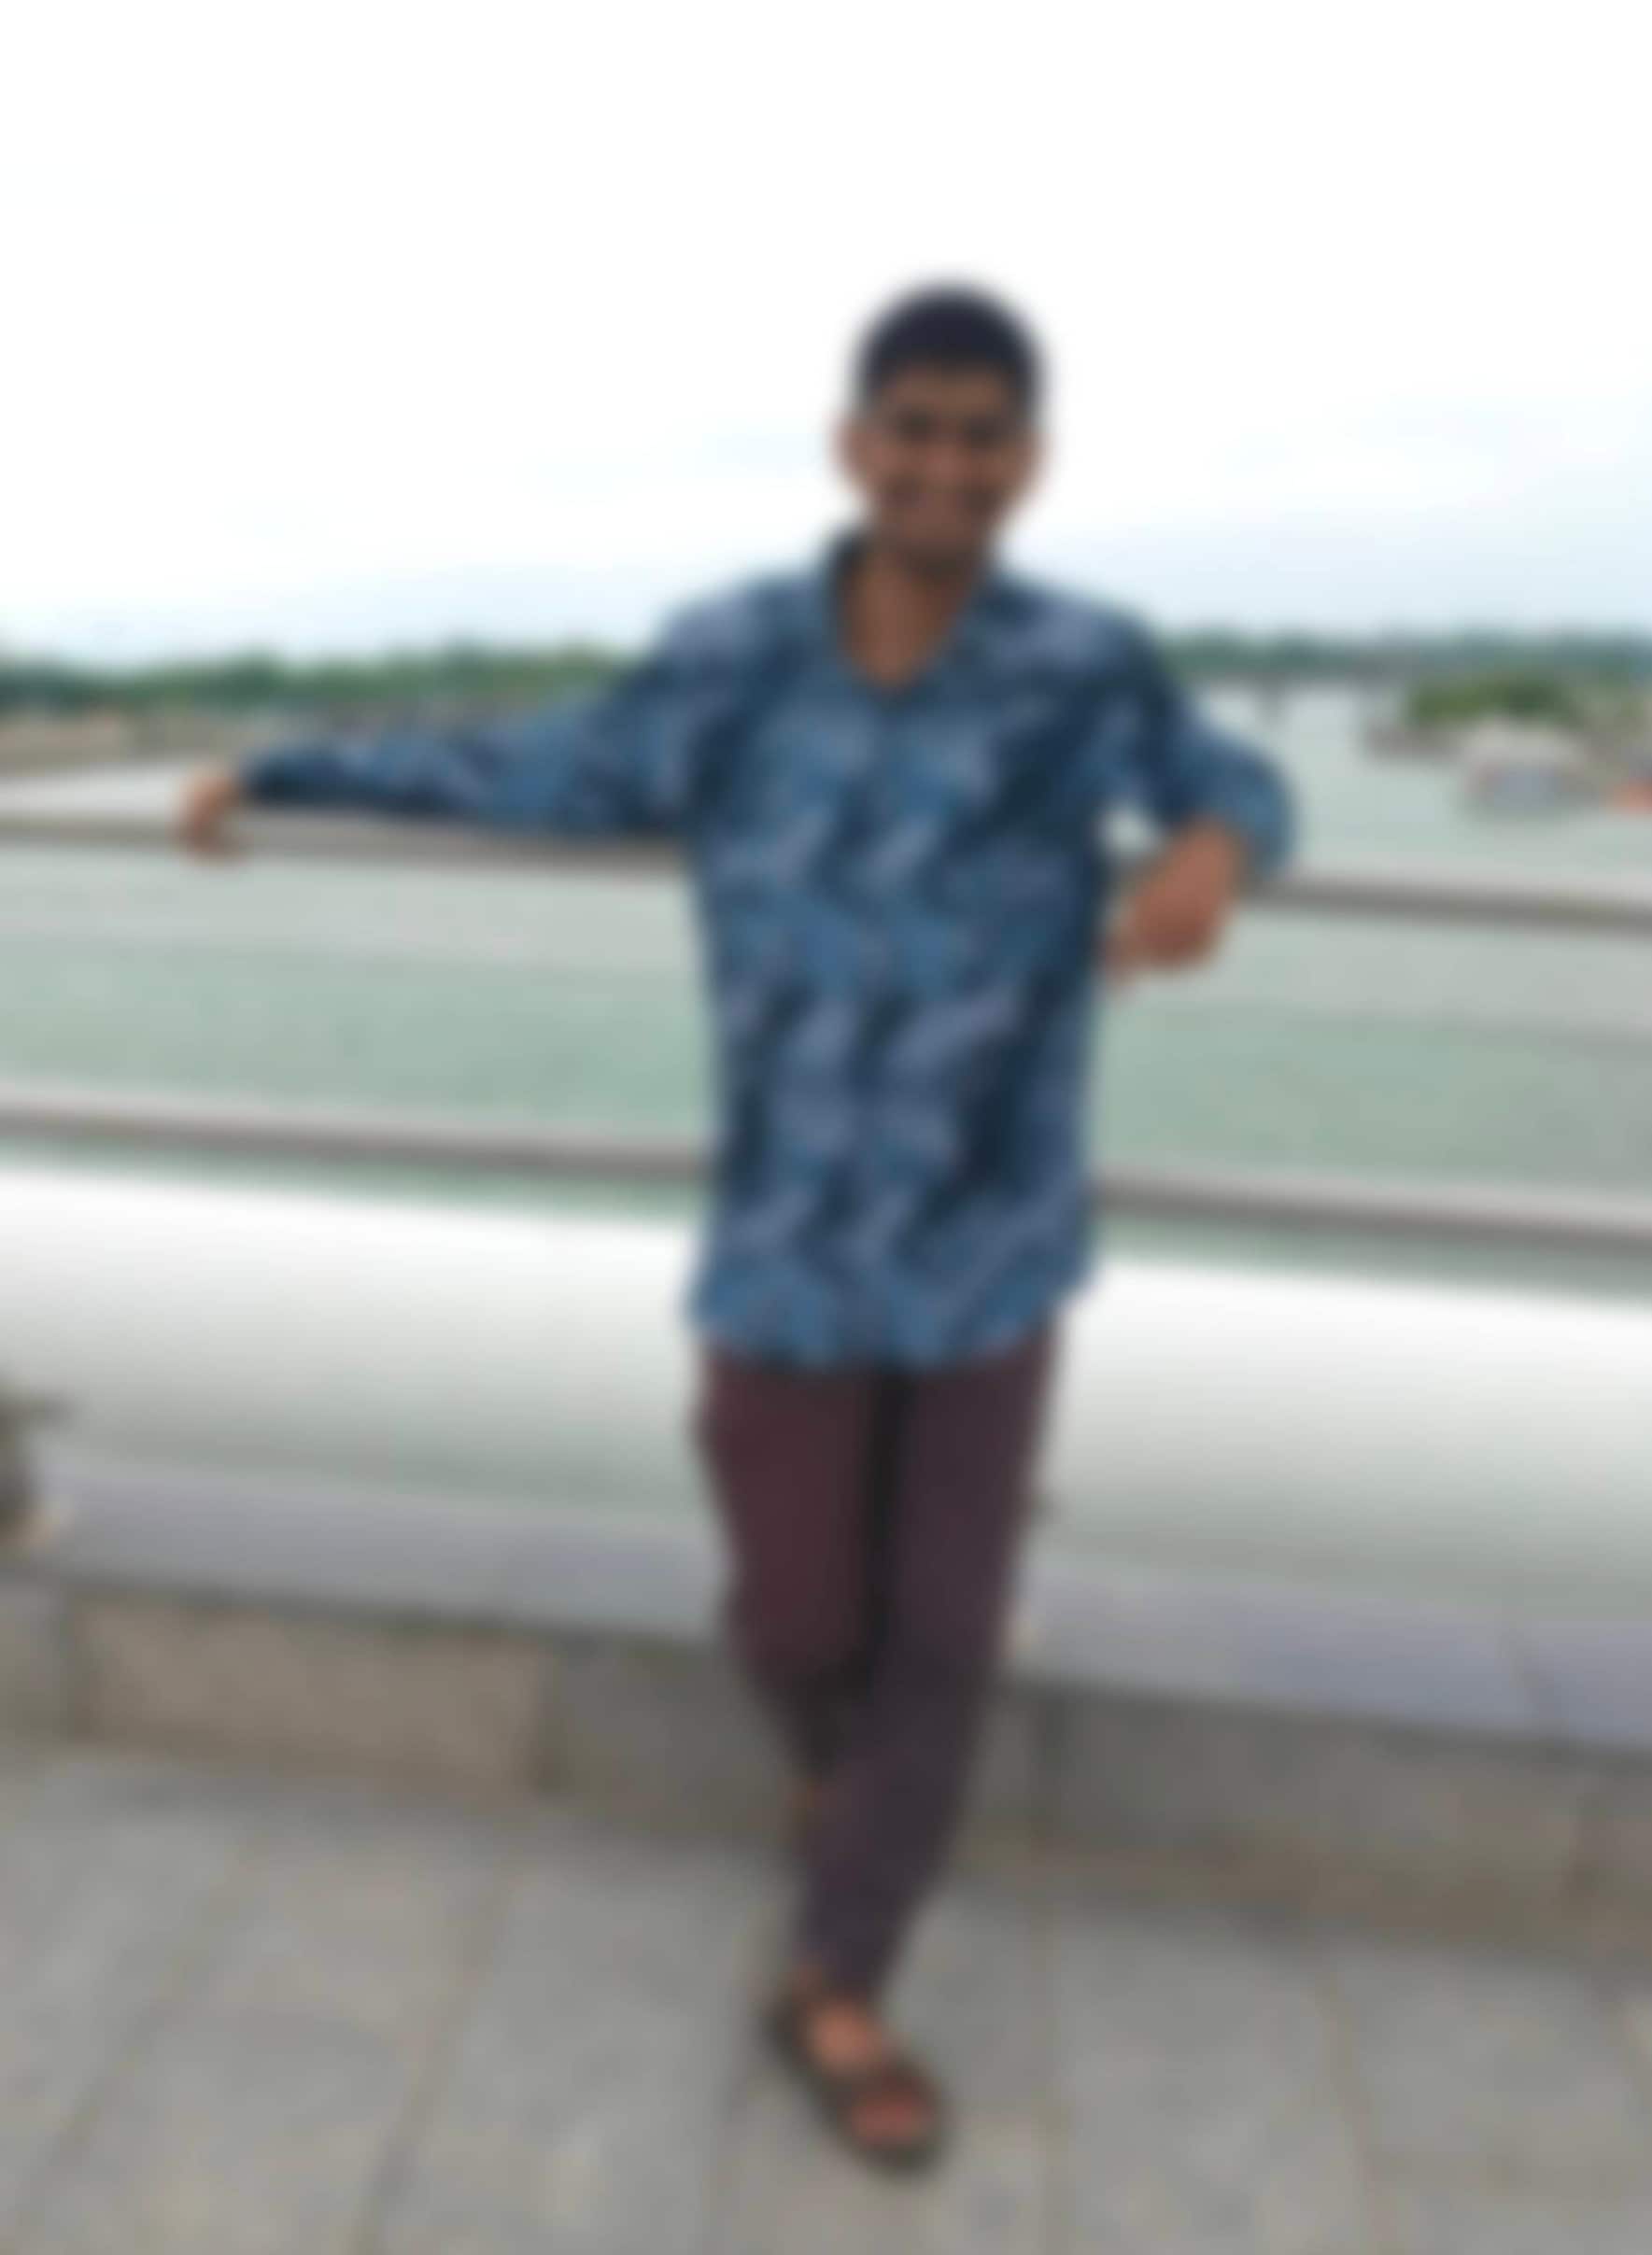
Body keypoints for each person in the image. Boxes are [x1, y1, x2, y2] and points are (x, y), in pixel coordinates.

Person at [178, 282, 1296, 2171]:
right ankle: (845, 1790)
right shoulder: (733, 657)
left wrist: (1210, 851)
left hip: (991, 1234)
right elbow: (531, 768)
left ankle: (839, 1969)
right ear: (856, 445)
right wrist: (283, 768)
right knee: (794, 1609)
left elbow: (1238, 773)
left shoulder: (1082, 663)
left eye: (985, 436)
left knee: (944, 1625)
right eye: (915, 427)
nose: (947, 465)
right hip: (787, 1230)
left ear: (1028, 462)